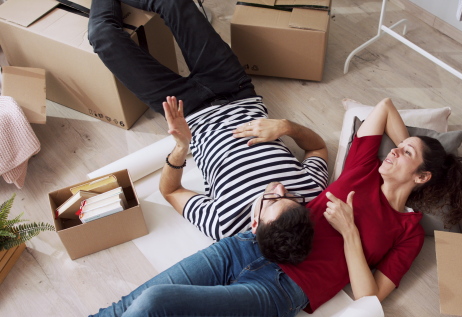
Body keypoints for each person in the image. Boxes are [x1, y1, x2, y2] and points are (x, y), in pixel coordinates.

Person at [51, 93, 462, 317]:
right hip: (243, 247)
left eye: (404, 155)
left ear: (422, 178)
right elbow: (383, 106)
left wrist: (350, 233)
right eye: (397, 147)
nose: (393, 152)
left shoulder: (407, 229)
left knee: (154, 304)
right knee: (118, 310)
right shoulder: (365, 167)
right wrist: (412, 154)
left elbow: (371, 298)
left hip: (282, 292)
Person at [87, 0, 328, 242]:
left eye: (274, 199)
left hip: (187, 111)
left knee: (103, 36)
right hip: (237, 90)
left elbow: (170, 191)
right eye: (291, 197)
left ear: (255, 224)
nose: (279, 188)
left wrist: (181, 147)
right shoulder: (310, 191)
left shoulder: (222, 224)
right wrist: (287, 126)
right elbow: (317, 147)